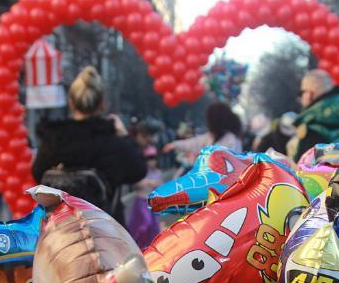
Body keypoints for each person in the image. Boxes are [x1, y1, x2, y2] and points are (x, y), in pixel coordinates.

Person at [32, 66, 146, 224]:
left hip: (62, 233)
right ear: (102, 104)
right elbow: (138, 171)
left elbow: (37, 174)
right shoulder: (112, 143)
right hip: (106, 233)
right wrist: (125, 136)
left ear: (71, 103)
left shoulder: (54, 140)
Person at [290, 69, 339, 158]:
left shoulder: (310, 127)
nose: (301, 97)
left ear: (310, 95)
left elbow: (301, 168)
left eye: (302, 92)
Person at [163, 102, 243, 168]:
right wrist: (174, 145)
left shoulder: (232, 140)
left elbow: (230, 165)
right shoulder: (212, 136)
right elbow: (194, 143)